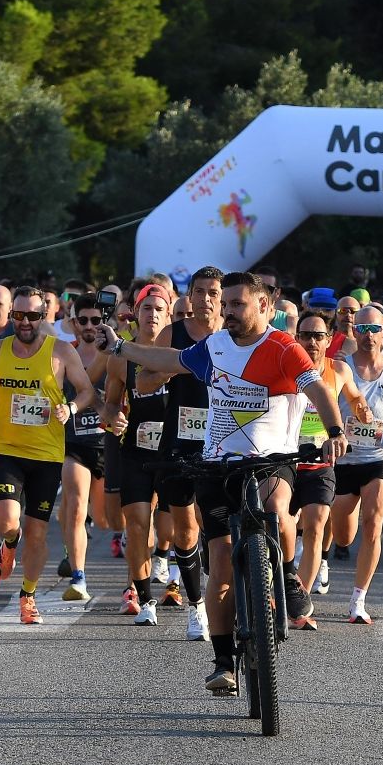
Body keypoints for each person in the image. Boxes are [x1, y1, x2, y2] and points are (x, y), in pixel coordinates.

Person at [96, 272, 346, 696]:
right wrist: (119, 347)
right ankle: (223, 660)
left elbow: (318, 390)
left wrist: (335, 429)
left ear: (264, 307)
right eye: (224, 304)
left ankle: (287, 575)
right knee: (222, 558)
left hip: (271, 462)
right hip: (217, 464)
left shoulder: (283, 348)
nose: (227, 311)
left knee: (275, 507)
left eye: (237, 304)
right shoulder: (213, 347)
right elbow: (169, 361)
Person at [0, 286, 106, 622]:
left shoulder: (59, 351)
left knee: (37, 532)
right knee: (6, 522)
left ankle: (27, 596)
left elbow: (87, 390)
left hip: (46, 455)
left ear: (44, 315)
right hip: (7, 449)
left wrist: (70, 408)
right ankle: (7, 543)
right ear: (11, 316)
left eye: (33, 315)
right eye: (19, 315)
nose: (26, 322)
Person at [133, 267, 226, 641]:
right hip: (181, 438)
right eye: (199, 292)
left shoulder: (234, 335)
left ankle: (233, 592)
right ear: (189, 297)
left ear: (222, 298)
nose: (205, 299)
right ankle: (195, 606)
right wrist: (171, 370)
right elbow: (142, 381)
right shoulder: (175, 333)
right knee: (185, 530)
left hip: (223, 440)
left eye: (213, 292)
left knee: (220, 527)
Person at [330, 306, 383, 622]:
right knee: (342, 535)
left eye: (375, 329)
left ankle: (358, 601)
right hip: (345, 458)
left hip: (381, 457)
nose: (369, 335)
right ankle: (340, 541)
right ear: (354, 331)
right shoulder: (341, 368)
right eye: (363, 328)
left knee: (374, 522)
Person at [103, 286, 178, 625]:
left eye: (159, 309)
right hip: (134, 450)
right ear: (136, 312)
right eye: (146, 308)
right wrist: (111, 417)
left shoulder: (179, 352)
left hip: (174, 451)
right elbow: (109, 402)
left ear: (169, 314)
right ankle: (144, 596)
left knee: (170, 529)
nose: (152, 314)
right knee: (136, 526)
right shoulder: (122, 357)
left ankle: (169, 570)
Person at [291, 310, 369, 623]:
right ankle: (279, 586)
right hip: (284, 462)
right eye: (305, 335)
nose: (311, 341)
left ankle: (300, 602)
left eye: (318, 336)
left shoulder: (338, 370)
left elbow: (355, 399)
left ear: (328, 340)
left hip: (321, 462)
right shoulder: (284, 366)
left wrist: (363, 412)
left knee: (315, 525)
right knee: (284, 531)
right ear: (296, 337)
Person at [58, 295, 112, 603]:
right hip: (74, 443)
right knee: (77, 504)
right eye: (83, 320)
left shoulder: (117, 354)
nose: (90, 326)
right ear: (73, 322)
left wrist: (105, 406)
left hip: (108, 445)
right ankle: (78, 577)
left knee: (106, 520)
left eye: (96, 320)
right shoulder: (66, 355)